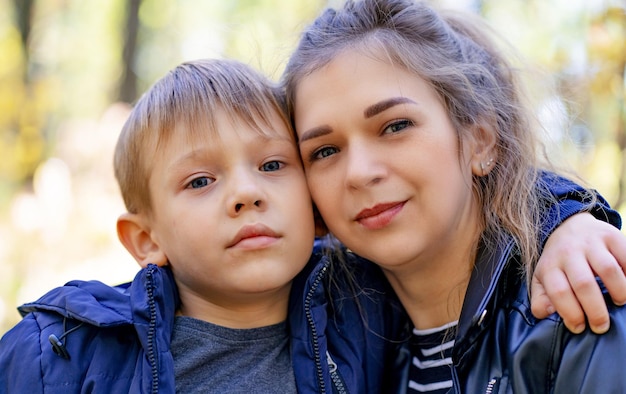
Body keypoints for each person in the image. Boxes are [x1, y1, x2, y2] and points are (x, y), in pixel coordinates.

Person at [0, 32, 621, 394]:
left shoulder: (358, 313)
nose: (246, 194)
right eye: (199, 180)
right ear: (144, 239)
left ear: (312, 209)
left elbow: (481, 221)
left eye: (274, 166)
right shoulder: (59, 356)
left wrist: (563, 217)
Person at [281, 0, 626, 392]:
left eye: (395, 126)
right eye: (324, 151)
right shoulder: (322, 342)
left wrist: (566, 213)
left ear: (480, 140)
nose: (359, 172)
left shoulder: (578, 306)